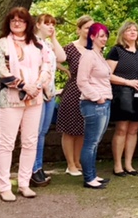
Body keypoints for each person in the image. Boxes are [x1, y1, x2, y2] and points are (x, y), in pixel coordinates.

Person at [0, 7, 51, 201]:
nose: (17, 23)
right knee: (7, 143)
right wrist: (25, 86)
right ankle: (4, 186)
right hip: (10, 99)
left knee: (30, 141)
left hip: (35, 99)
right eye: (13, 20)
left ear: (28, 24)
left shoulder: (38, 46)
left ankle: (24, 183)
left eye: (21, 20)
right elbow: (2, 71)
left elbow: (47, 67)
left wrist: (37, 85)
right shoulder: (1, 45)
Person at [107, 21, 138, 177]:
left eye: (135, 30)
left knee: (134, 130)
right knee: (121, 129)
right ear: (123, 34)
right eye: (129, 30)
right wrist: (128, 82)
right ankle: (117, 165)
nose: (133, 32)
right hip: (122, 95)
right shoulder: (116, 51)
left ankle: (129, 164)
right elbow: (107, 75)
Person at [31, 13, 66, 187]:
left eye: (53, 24)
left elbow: (61, 58)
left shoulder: (47, 44)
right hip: (38, 92)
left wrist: (54, 37)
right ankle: (33, 169)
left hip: (49, 93)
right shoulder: (32, 43)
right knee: (35, 133)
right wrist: (45, 89)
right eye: (47, 24)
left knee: (42, 133)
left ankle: (38, 166)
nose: (51, 26)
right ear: (38, 24)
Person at [77, 23, 113, 189]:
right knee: (91, 142)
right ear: (92, 37)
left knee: (95, 142)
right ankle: (88, 178)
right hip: (93, 104)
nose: (104, 38)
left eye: (105, 35)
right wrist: (97, 97)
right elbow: (82, 81)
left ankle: (92, 175)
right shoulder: (88, 55)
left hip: (103, 102)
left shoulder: (99, 55)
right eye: (100, 35)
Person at [56, 15, 94, 176]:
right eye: (86, 28)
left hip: (88, 93)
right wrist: (64, 70)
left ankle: (78, 162)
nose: (89, 31)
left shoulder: (95, 48)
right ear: (78, 29)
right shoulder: (71, 48)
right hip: (72, 92)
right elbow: (54, 58)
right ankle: (70, 164)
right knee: (69, 130)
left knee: (81, 130)